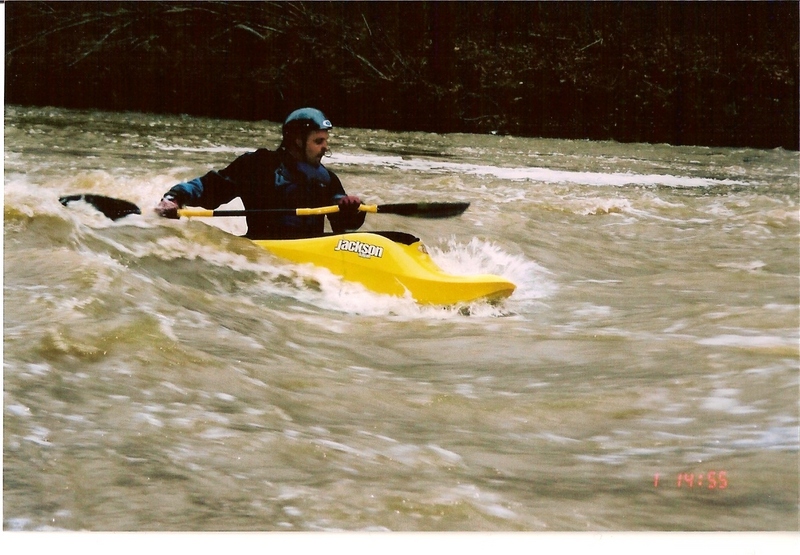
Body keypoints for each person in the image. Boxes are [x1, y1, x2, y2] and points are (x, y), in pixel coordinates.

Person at [154, 107, 365, 239]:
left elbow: (343, 227)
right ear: (298, 141)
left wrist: (351, 209)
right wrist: (174, 198)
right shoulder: (258, 166)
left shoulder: (326, 178)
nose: (325, 148)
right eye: (319, 141)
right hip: (262, 252)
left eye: (326, 141)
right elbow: (209, 188)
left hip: (310, 252)